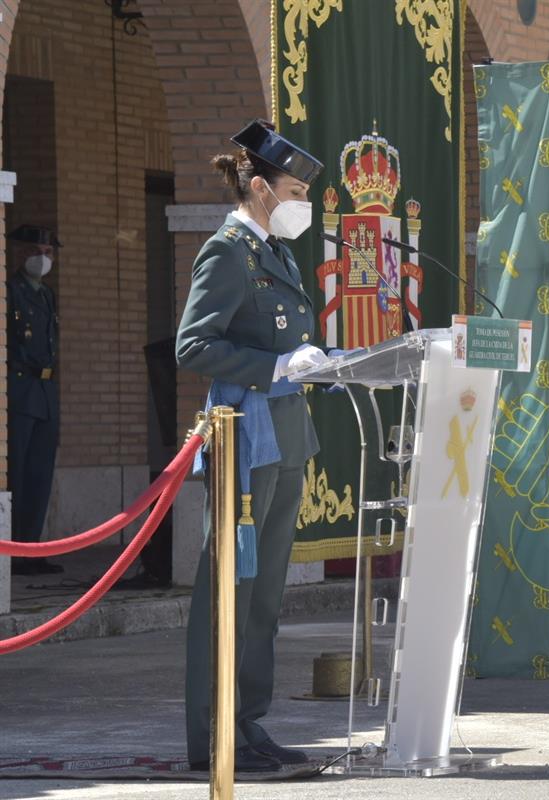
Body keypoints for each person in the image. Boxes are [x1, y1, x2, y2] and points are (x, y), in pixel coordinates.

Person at [178, 120, 329, 772]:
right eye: (297, 190)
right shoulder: (228, 252)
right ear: (263, 188)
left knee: (264, 598)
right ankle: (215, 736)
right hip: (245, 439)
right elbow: (195, 345)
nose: (306, 203)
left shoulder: (276, 252)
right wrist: (273, 368)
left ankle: (249, 726)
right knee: (230, 593)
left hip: (285, 438)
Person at [7, 224, 64, 576]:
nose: (42, 259)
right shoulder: (11, 291)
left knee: (40, 473)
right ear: (19, 253)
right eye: (36, 252)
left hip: (45, 391)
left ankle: (30, 548)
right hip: (19, 389)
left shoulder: (46, 294)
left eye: (48, 253)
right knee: (17, 472)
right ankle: (11, 549)